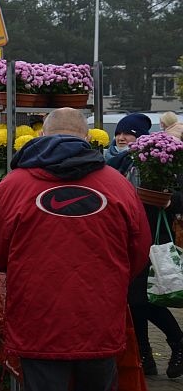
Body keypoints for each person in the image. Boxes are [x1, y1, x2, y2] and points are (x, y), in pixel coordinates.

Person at [0, 108, 152, 391]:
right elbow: (139, 251)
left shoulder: (14, 185)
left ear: (42, 134)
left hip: (37, 318)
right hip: (99, 317)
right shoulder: (118, 185)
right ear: (87, 137)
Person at [106, 113, 183, 378]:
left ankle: (175, 344)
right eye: (119, 132)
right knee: (132, 300)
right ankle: (145, 357)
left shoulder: (159, 160)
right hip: (121, 239)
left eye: (129, 133)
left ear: (142, 138)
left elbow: (178, 197)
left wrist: (169, 201)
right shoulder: (112, 162)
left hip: (151, 239)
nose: (122, 137)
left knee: (139, 299)